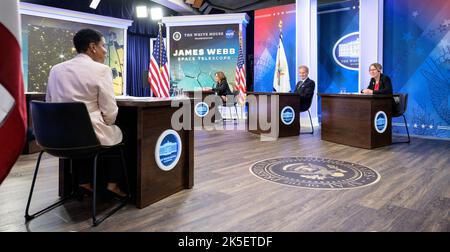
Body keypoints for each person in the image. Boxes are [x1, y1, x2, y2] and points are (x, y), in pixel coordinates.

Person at [46, 28, 126, 198]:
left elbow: (49, 102)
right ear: (92, 47)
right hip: (88, 137)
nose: (105, 50)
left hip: (56, 138)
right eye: (103, 45)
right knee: (117, 134)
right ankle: (112, 184)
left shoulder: (55, 69)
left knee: (80, 136)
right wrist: (108, 123)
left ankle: (83, 182)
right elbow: (110, 112)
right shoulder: (102, 70)